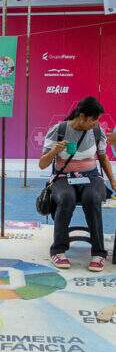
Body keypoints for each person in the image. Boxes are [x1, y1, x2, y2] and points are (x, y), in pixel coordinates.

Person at [39, 96, 116, 272]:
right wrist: (54, 151)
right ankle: (58, 250)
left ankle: (98, 253)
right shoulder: (58, 130)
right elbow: (42, 164)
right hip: (63, 177)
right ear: (82, 116)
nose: (96, 123)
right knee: (66, 198)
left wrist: (112, 180)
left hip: (91, 177)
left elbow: (103, 158)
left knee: (93, 197)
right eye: (93, 119)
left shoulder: (96, 132)